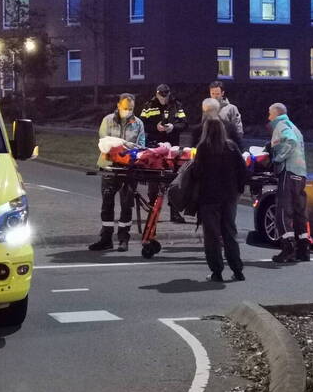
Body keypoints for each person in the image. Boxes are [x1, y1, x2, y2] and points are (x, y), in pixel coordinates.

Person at [192, 118, 248, 282]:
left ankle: (217, 271)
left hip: (209, 197)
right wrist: (238, 189)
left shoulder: (203, 148)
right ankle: (238, 270)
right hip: (229, 197)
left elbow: (197, 173)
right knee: (230, 233)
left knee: (212, 236)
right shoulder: (231, 146)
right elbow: (243, 171)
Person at [89, 94, 146, 252]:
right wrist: (118, 146)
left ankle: (123, 239)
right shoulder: (108, 120)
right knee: (107, 203)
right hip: (109, 166)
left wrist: (126, 147)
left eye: (131, 109)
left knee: (126, 205)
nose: (128, 111)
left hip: (129, 168)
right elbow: (103, 141)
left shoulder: (138, 123)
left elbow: (141, 145)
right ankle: (106, 238)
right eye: (125, 108)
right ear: (118, 105)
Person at [140, 84, 189, 223]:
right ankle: (153, 209)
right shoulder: (148, 105)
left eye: (166, 95)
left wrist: (173, 127)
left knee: (174, 180)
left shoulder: (176, 105)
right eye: (161, 95)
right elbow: (141, 123)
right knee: (154, 180)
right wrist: (155, 128)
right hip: (155, 146)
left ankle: (174, 212)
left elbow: (184, 123)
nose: (163, 98)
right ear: (156, 94)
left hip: (172, 148)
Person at [268, 103, 310, 263]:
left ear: (277, 114)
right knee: (300, 212)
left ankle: (288, 248)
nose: (268, 117)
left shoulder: (281, 125)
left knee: (283, 212)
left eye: (270, 114)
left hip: (289, 171)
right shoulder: (295, 127)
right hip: (301, 173)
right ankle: (303, 248)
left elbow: (290, 142)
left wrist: (277, 158)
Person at [209, 81, 244, 150]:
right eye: (212, 94)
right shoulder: (207, 108)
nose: (214, 96)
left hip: (227, 147)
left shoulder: (231, 108)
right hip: (211, 146)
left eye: (217, 94)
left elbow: (238, 130)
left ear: (222, 93)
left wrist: (234, 146)